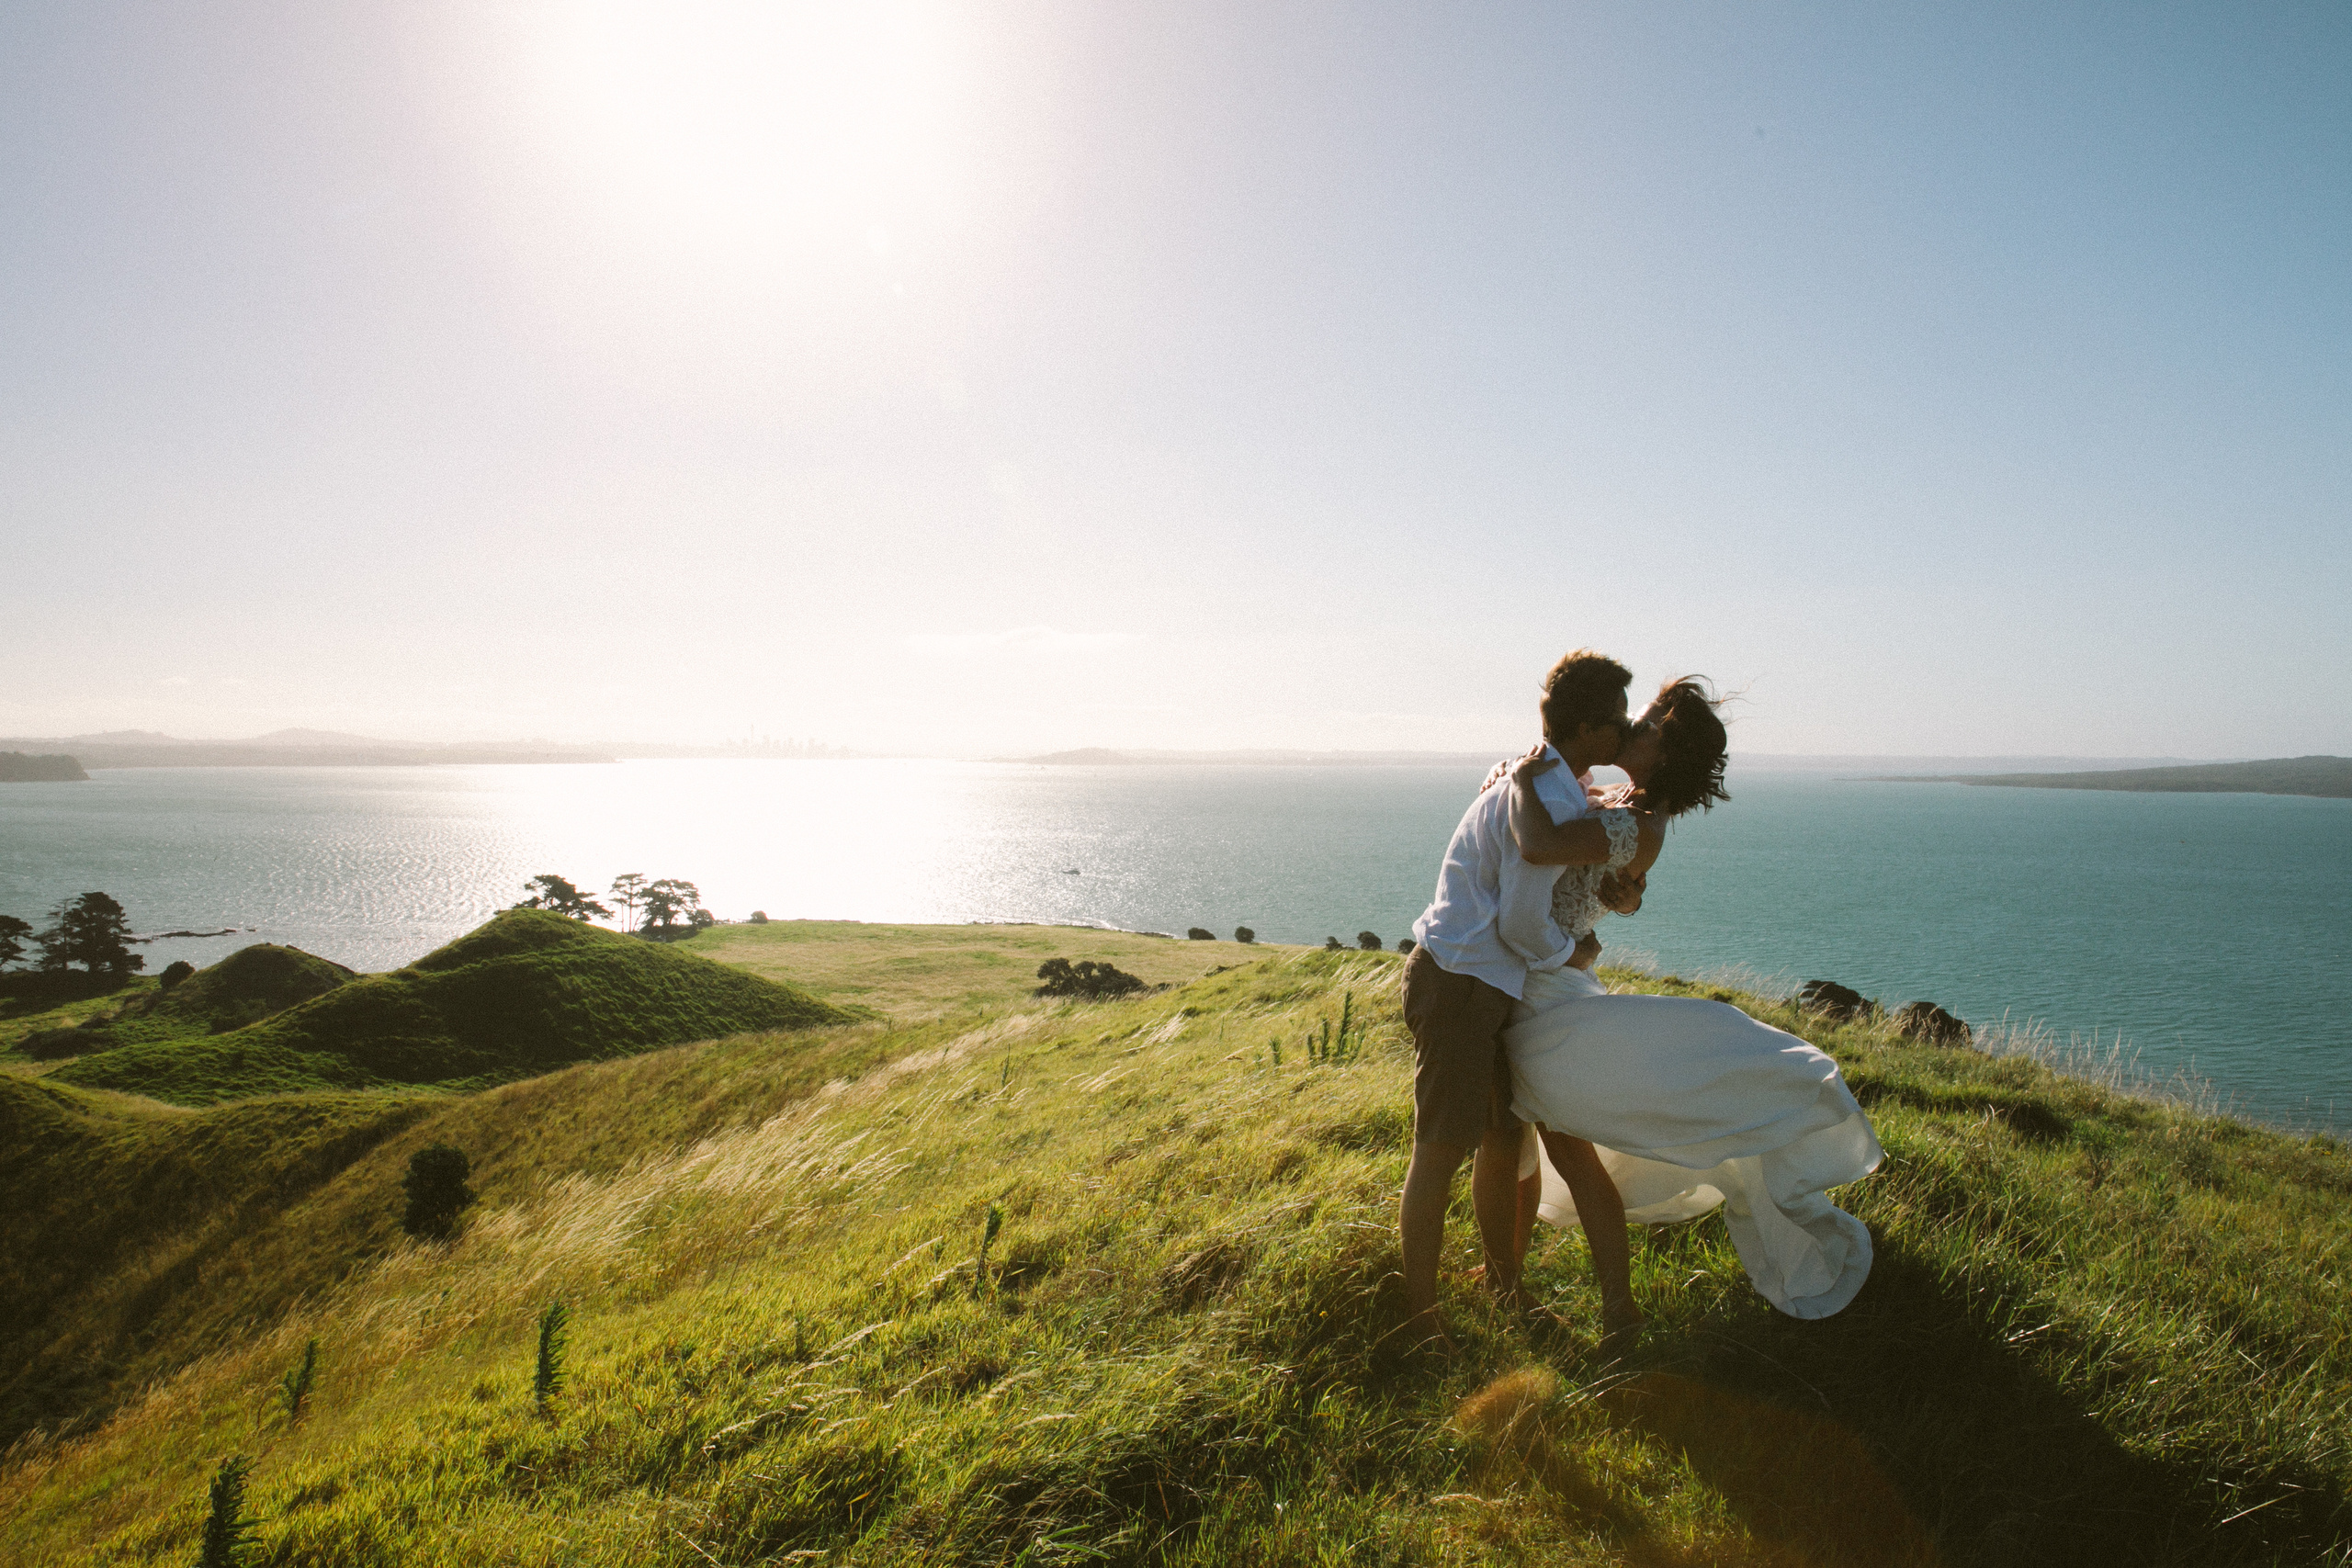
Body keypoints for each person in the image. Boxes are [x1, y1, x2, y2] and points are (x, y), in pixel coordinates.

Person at [1501, 679, 1884, 1335]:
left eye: (1643, 724)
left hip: (1548, 1003)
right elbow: (1605, 886)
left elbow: (1540, 843)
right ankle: (1533, 1282)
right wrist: (1617, 905)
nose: (1626, 727)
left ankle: (1594, 1301)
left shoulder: (1635, 823)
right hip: (1549, 987)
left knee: (1552, 1148)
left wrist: (1516, 776)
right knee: (1541, 1146)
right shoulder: (1623, 806)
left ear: (1664, 754)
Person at [1396, 649, 1651, 1353]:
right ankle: (1421, 1321)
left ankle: (1503, 1287)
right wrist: (1574, 956)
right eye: (1619, 719)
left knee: (1499, 1142)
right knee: (1438, 1152)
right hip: (1459, 980)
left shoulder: (1552, 782)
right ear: (1593, 727)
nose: (1627, 731)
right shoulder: (1543, 790)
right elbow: (1519, 920)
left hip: (1488, 986)